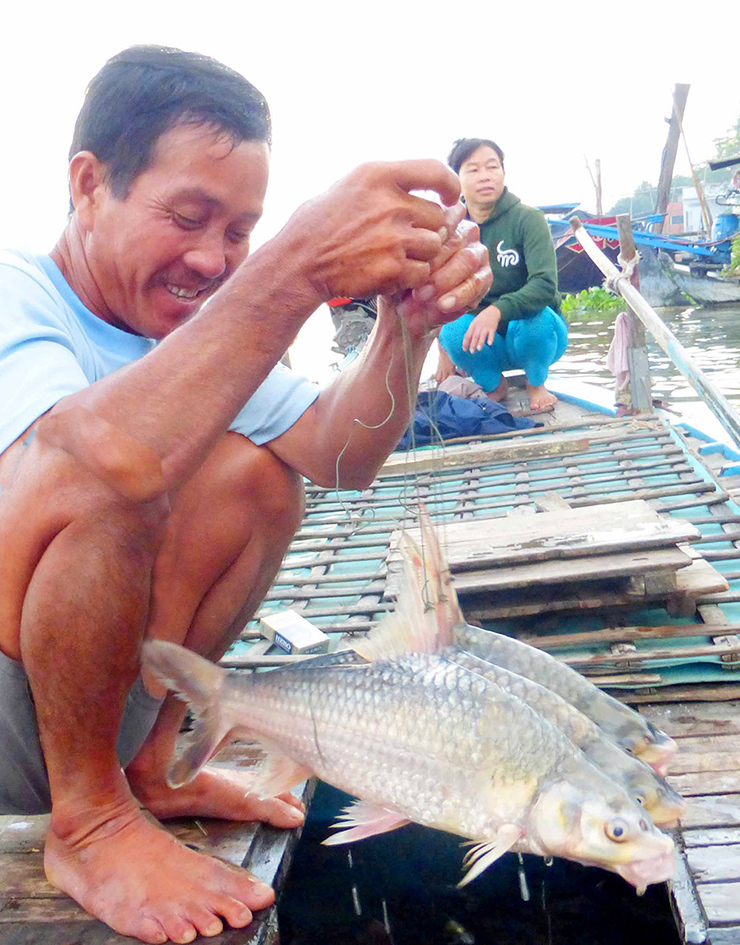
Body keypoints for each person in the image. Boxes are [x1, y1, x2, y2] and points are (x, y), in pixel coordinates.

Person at [0, 46, 491, 944]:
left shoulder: (192, 331)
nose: (213, 258)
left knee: (259, 477)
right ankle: (91, 819)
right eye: (188, 216)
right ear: (87, 184)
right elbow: (86, 465)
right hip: (8, 716)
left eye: (241, 232)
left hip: (99, 696)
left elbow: (341, 457)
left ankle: (154, 764)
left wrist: (404, 333)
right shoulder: (15, 292)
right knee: (117, 472)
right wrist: (294, 267)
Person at [435, 137, 567, 413]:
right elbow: (439, 292)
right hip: (485, 343)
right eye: (473, 170)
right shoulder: (451, 228)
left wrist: (496, 311)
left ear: (503, 172)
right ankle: (493, 385)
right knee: (453, 330)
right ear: (456, 179)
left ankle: (536, 384)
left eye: (492, 167)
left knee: (537, 322)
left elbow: (544, 285)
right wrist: (442, 352)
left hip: (535, 334)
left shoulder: (528, 219)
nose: (485, 176)